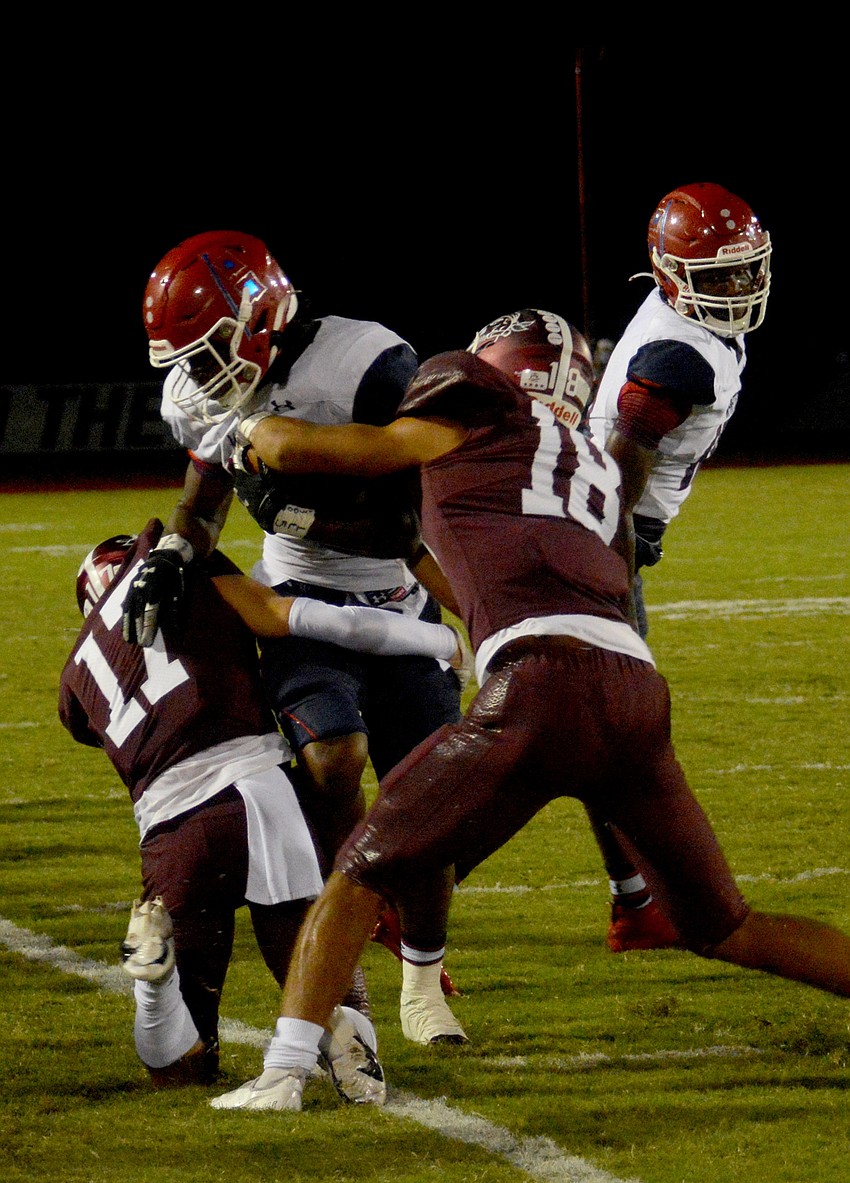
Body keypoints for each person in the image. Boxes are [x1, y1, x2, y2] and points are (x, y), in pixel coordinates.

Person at [199, 307, 850, 1113]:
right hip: (634, 687)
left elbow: (327, 449)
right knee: (725, 924)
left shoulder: (471, 407)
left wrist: (251, 432)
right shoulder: (601, 468)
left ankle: (285, 1071)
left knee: (363, 863)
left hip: (542, 683)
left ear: (487, 370)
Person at [126, 229, 465, 1039]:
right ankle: (361, 908)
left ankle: (424, 975)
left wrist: (301, 502)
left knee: (429, 798)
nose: (199, 378)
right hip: (300, 599)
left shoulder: (365, 364)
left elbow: (416, 514)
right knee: (332, 756)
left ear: (259, 316)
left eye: (209, 352)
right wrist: (178, 550)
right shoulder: (206, 396)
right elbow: (203, 497)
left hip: (395, 593)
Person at [58, 518, 471, 1095]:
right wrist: (442, 641)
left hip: (170, 824)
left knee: (181, 1069)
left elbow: (88, 723)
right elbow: (280, 617)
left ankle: (155, 992)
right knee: (313, 960)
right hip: (262, 790)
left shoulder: (75, 673)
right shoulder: (187, 565)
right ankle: (344, 1042)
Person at [583, 181, 772, 953]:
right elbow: (615, 492)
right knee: (589, 735)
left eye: (745, 270)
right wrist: (611, 592)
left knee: (597, 738)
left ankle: (636, 903)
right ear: (670, 274)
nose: (738, 288)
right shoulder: (677, 358)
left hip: (599, 539)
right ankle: (395, 887)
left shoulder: (692, 328)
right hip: (598, 544)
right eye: (719, 276)